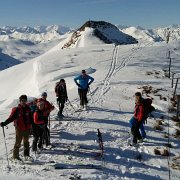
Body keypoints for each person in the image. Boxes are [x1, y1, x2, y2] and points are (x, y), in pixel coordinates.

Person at [0, 95, 32, 161]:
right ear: (20, 101)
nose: (23, 102)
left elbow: (31, 118)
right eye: (22, 100)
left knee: (26, 142)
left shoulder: (28, 109)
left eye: (25, 100)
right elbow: (11, 118)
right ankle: (15, 157)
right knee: (18, 143)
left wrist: (32, 125)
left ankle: (26, 155)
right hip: (19, 128)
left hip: (27, 128)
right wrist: (5, 123)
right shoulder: (17, 110)